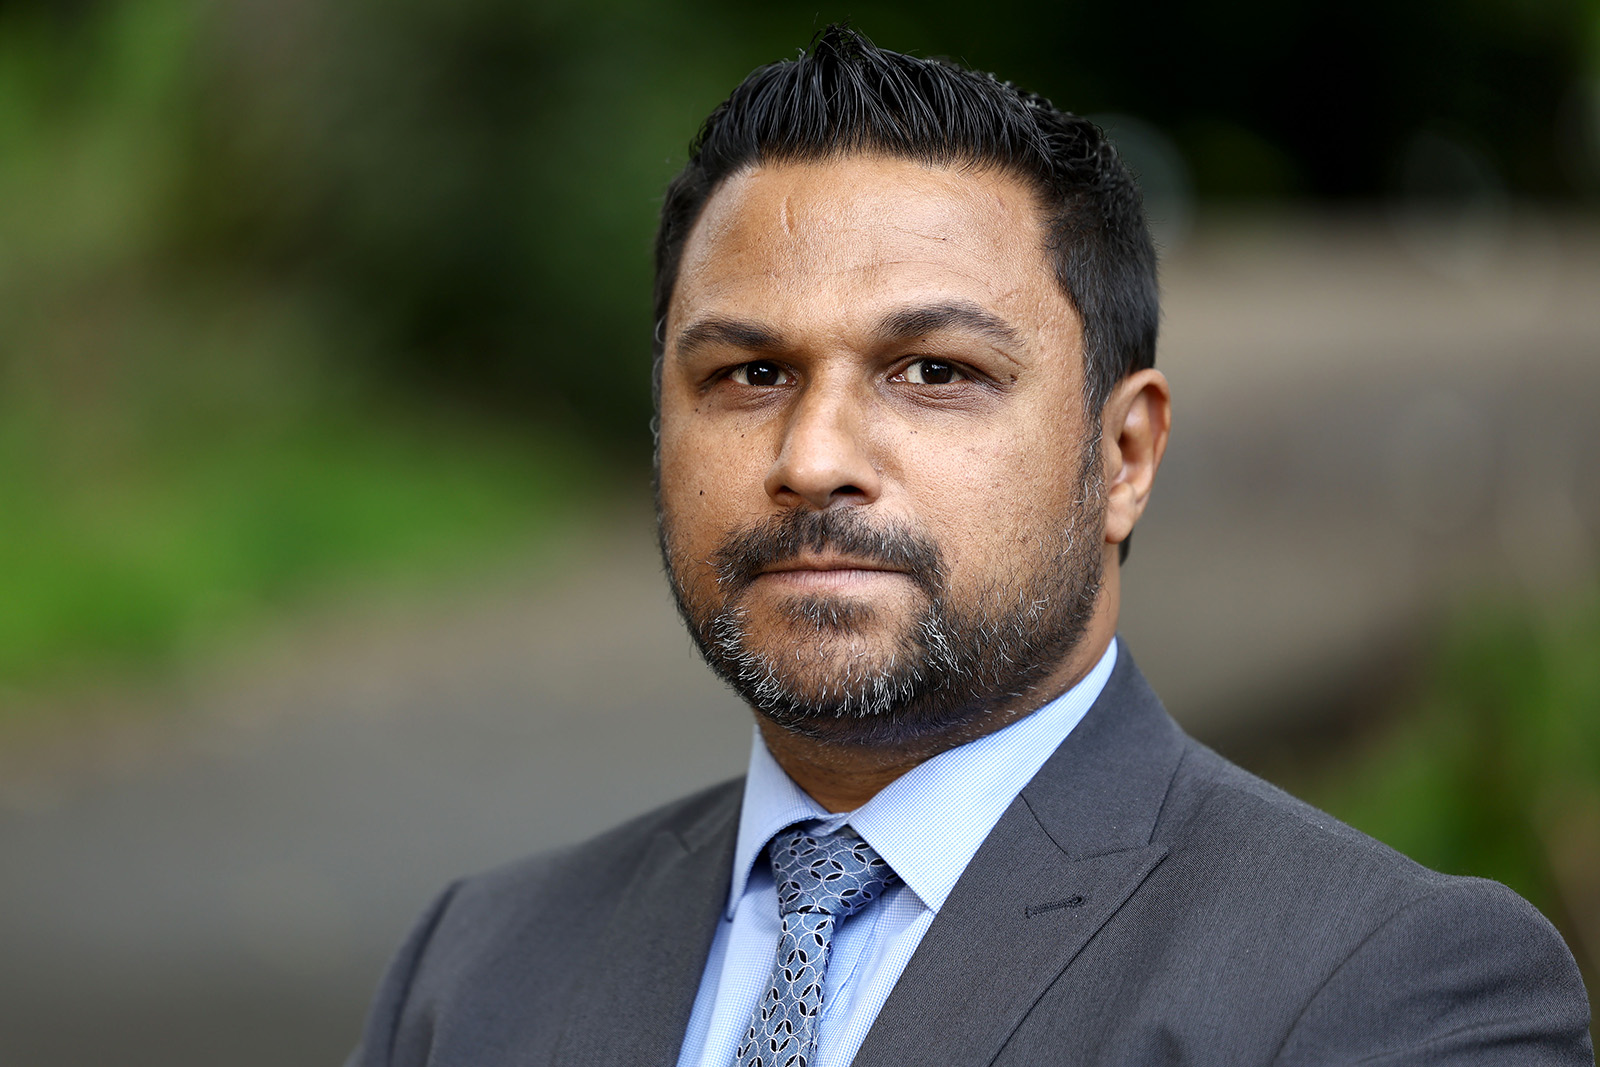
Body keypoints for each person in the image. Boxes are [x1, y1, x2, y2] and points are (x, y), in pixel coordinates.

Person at [347, 26, 1593, 1067]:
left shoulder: (1385, 987)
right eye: (748, 371)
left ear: (1124, 456)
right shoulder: (476, 968)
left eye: (934, 371)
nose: (814, 452)